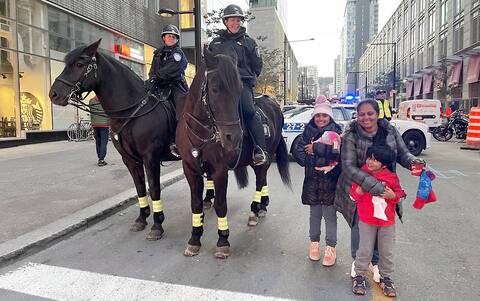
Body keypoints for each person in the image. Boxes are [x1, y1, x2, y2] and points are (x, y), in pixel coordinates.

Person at [334, 100, 425, 284]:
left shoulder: (390, 131)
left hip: (386, 190)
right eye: (362, 114)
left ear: (377, 114)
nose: (366, 118)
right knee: (360, 226)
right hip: (359, 188)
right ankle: (358, 261)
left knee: (382, 224)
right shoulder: (351, 135)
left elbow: (403, 153)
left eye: (370, 113)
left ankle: (375, 262)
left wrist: (414, 162)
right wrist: (375, 187)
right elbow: (349, 167)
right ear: (357, 116)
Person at [208, 4, 266, 166]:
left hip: (241, 85)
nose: (235, 23)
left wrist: (248, 79)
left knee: (248, 110)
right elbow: (210, 65)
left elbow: (257, 65)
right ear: (225, 21)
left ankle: (259, 149)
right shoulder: (216, 43)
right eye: (232, 20)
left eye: (238, 20)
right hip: (221, 86)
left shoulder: (249, 42)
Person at [349, 144, 406, 297]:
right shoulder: (361, 175)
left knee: (386, 251)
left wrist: (392, 196)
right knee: (365, 249)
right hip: (367, 219)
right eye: (369, 158)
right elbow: (352, 195)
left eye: (375, 160)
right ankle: (359, 275)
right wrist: (359, 191)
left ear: (385, 163)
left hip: (387, 222)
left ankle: (385, 277)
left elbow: (400, 193)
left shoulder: (391, 177)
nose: (370, 162)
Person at [292, 96, 342, 266]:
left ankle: (330, 247)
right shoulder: (306, 134)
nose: (321, 119)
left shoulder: (338, 133)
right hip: (312, 182)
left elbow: (339, 156)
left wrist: (316, 150)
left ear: (330, 117)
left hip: (331, 183)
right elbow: (299, 155)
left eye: (324, 116)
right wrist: (312, 159)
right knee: (314, 215)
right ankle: (314, 244)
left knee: (330, 216)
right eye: (318, 116)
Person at [144, 24, 188, 157]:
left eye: (174, 37)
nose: (171, 38)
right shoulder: (157, 53)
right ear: (164, 38)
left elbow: (171, 70)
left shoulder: (178, 54)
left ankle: (177, 142)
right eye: (169, 36)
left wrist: (156, 78)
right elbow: (153, 69)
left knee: (178, 111)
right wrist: (151, 79)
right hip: (159, 86)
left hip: (175, 86)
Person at [89, 96, 109, 166]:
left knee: (98, 142)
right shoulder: (106, 99)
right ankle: (101, 159)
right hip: (104, 125)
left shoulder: (91, 101)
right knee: (104, 142)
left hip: (95, 125)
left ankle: (99, 157)